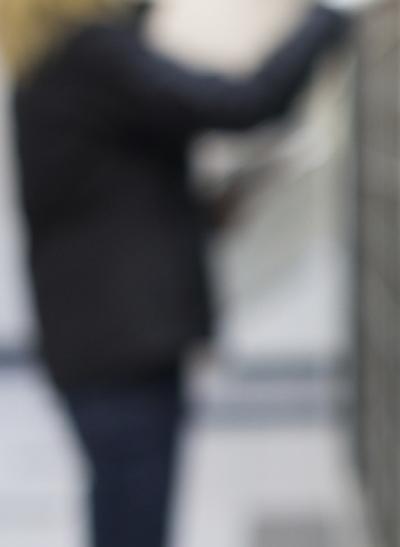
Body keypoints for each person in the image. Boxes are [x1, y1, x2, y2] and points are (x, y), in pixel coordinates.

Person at [0, 1, 350, 546]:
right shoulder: (92, 58)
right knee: (134, 525)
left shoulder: (53, 66)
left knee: (122, 515)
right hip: (120, 351)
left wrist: (212, 207)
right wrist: (331, 14)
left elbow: (107, 196)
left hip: (95, 343)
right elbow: (245, 101)